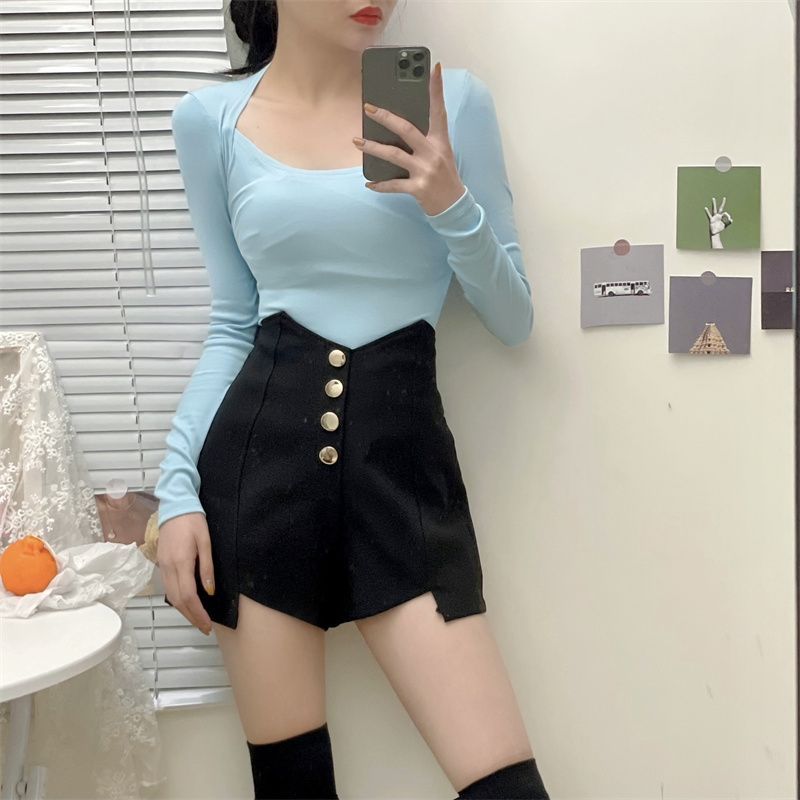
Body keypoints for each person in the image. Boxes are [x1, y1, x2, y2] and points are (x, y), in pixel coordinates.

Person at [155, 1, 550, 798]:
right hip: (257, 484)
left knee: (507, 788)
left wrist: (450, 202)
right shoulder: (209, 121)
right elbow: (232, 324)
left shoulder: (450, 101)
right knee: (293, 786)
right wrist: (175, 492)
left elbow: (514, 319)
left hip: (403, 480)